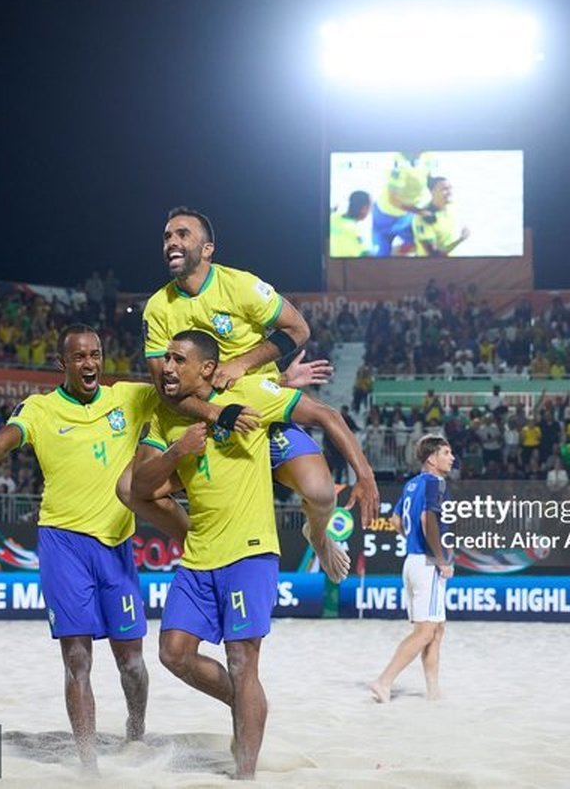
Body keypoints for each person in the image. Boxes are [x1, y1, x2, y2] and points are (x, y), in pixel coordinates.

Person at [126, 329, 378, 779]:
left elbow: (326, 414)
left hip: (250, 555)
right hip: (199, 557)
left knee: (243, 663)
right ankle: (245, 704)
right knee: (173, 654)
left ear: (207, 368)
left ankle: (245, 776)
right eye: (166, 358)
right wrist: (178, 451)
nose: (166, 366)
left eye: (178, 359)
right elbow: (139, 488)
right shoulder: (166, 418)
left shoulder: (251, 395)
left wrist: (365, 475)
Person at [0, 323, 159, 772]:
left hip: (116, 544)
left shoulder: (127, 397)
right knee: (77, 658)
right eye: (80, 356)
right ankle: (88, 764)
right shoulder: (40, 408)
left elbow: (180, 390)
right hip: (63, 544)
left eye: (96, 354)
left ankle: (136, 732)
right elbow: (1, 444)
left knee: (132, 661)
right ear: (62, 363)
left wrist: (271, 382)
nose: (90, 363)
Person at [139, 207, 362, 569]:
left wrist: (244, 365)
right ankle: (197, 544)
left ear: (208, 249)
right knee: (131, 490)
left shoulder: (240, 285)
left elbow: (298, 329)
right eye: (167, 236)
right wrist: (217, 413)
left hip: (257, 409)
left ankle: (318, 535)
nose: (171, 242)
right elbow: (166, 391)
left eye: (182, 234)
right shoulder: (157, 308)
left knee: (321, 493)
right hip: (197, 416)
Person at [370, 435, 455, 704]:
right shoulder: (436, 483)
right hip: (428, 564)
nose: (451, 457)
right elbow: (427, 519)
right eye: (446, 452)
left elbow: (396, 520)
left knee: (436, 630)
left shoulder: (411, 484)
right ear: (431, 458)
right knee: (425, 632)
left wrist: (413, 540)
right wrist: (441, 560)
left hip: (413, 562)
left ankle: (433, 691)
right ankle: (384, 681)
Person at [412, 176, 471, 257]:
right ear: (432, 192)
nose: (449, 192)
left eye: (450, 188)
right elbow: (434, 254)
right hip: (432, 264)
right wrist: (460, 240)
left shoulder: (451, 205)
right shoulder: (423, 217)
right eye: (445, 189)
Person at [329, 190, 373, 257]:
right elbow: (367, 255)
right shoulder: (356, 231)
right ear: (364, 209)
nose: (370, 211)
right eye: (370, 207)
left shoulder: (332, 217)